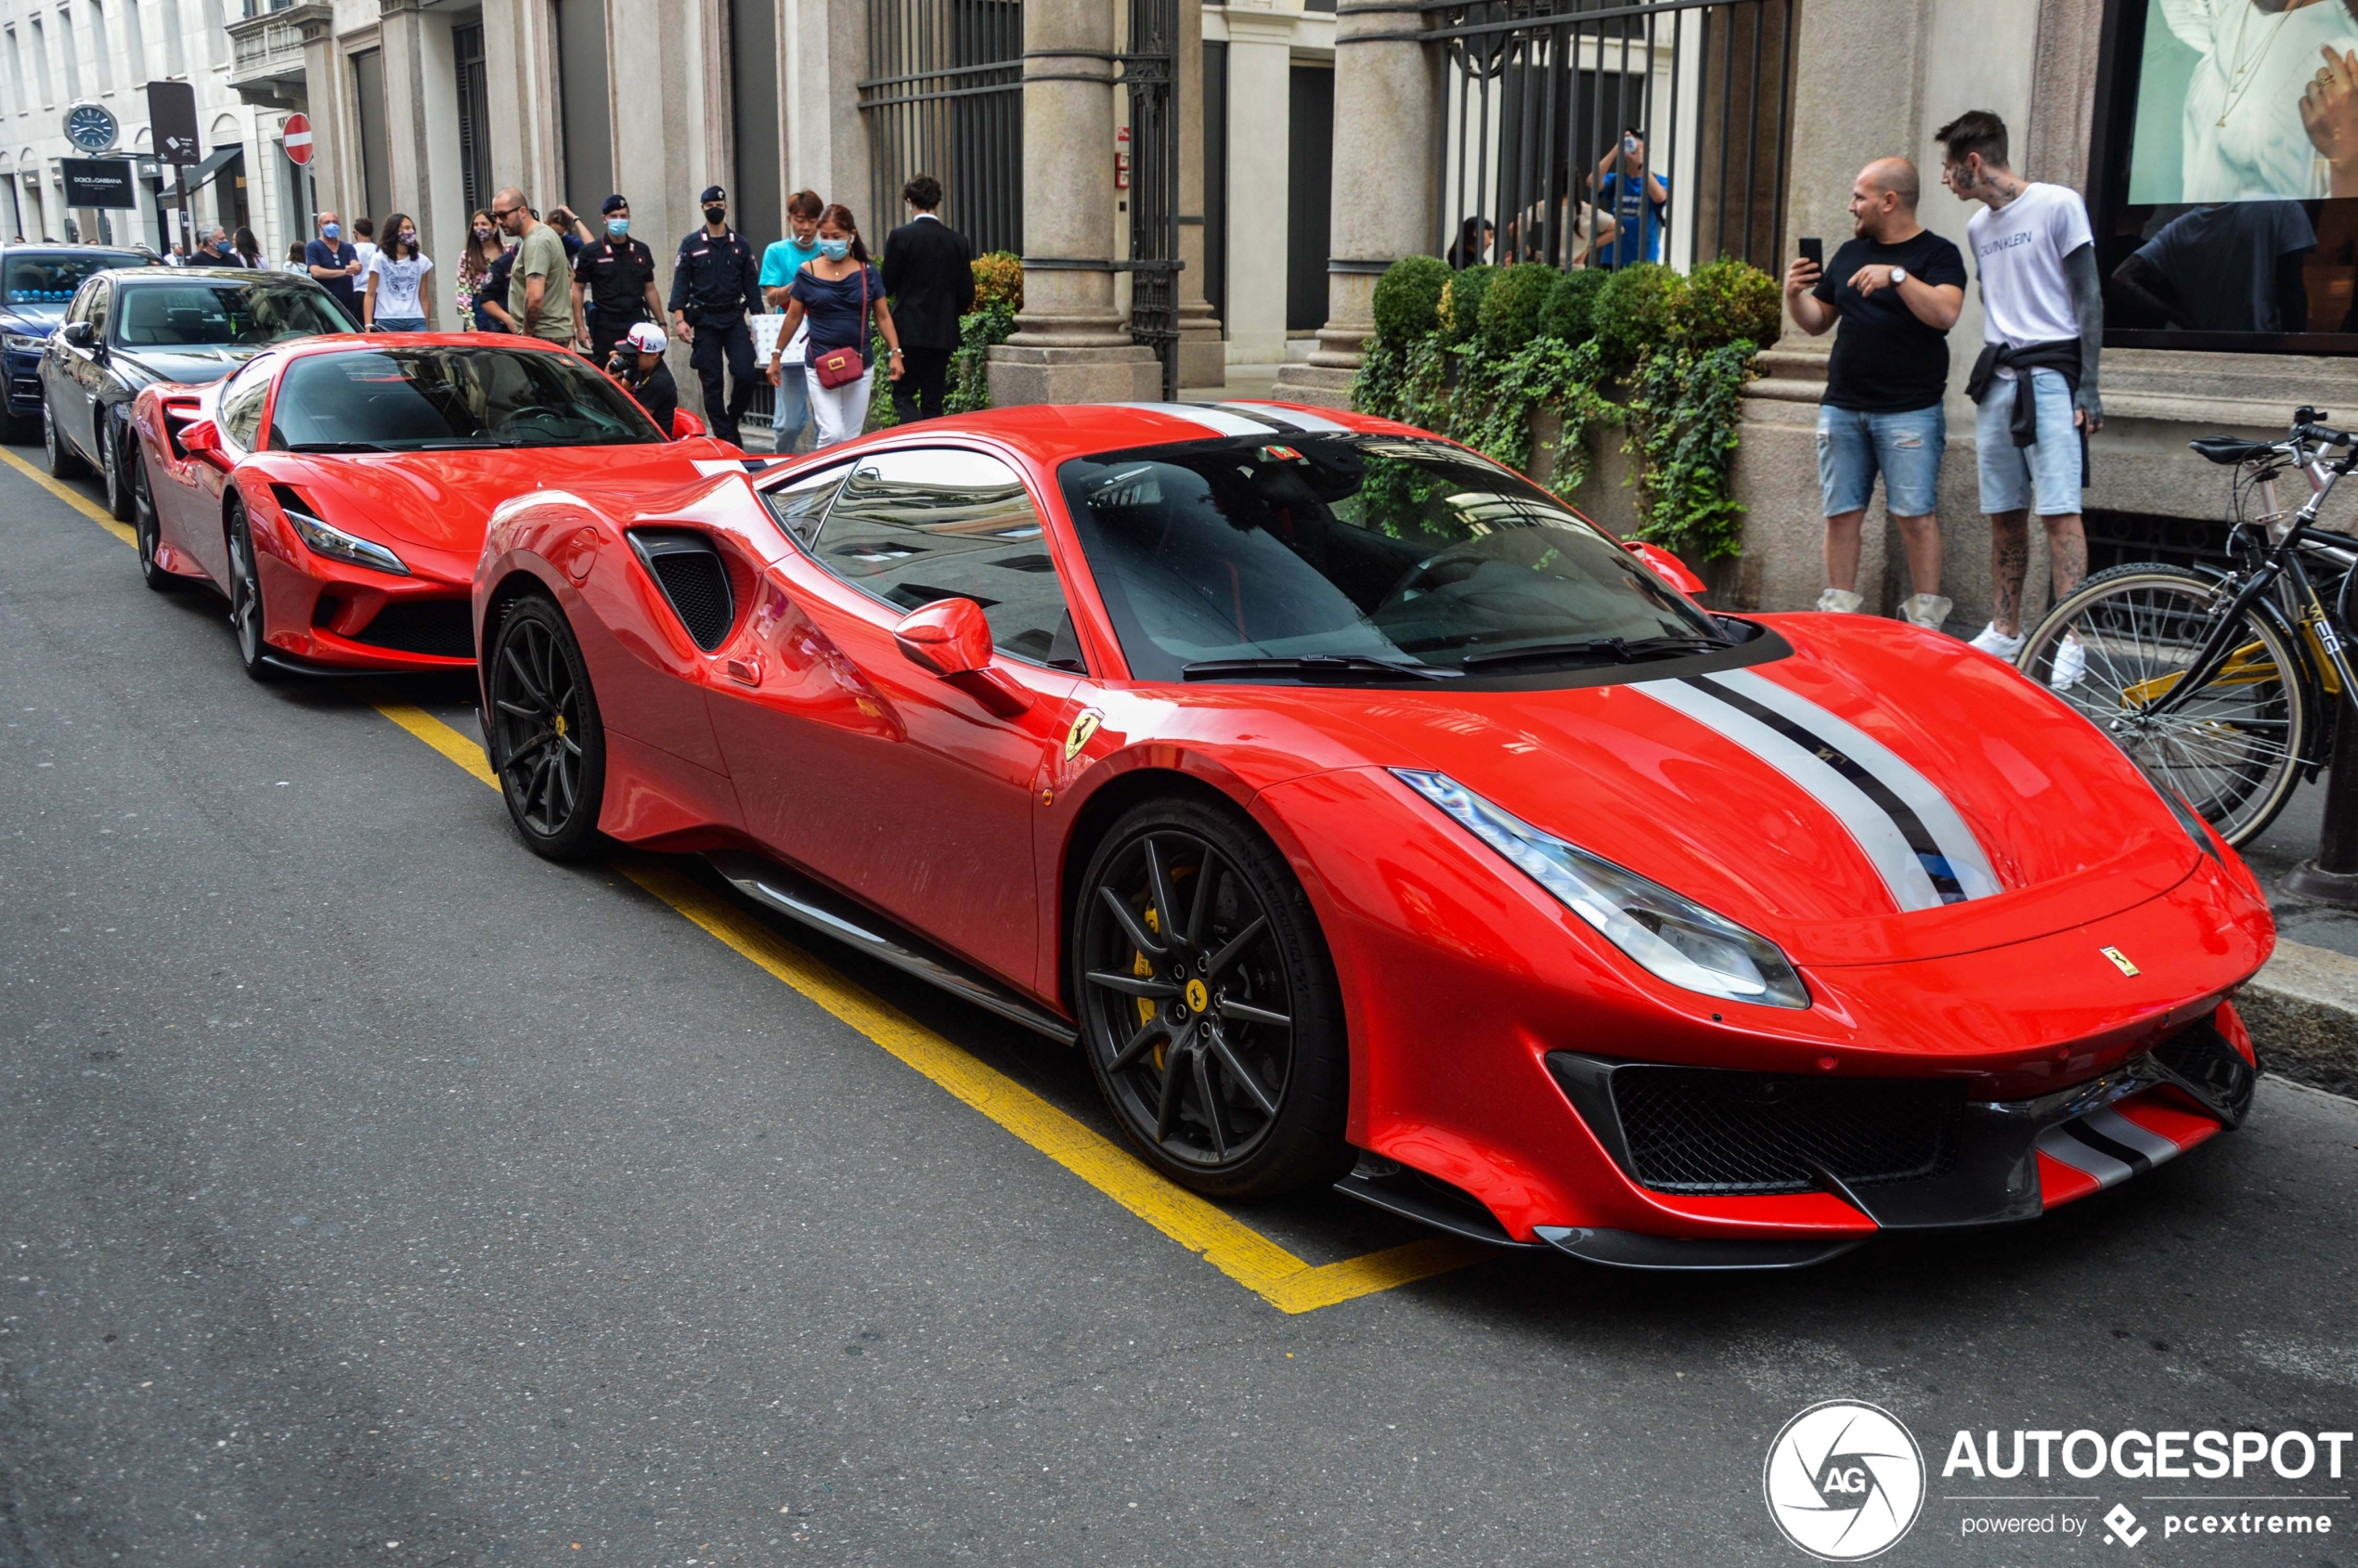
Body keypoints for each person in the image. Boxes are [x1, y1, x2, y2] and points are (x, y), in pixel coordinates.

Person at [1938, 110, 2104, 690]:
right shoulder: (1978, 228)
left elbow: (2088, 297)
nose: (1944, 179)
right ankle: (2006, 631)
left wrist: (2089, 386)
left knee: (2060, 513)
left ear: (1974, 163)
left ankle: (2072, 640)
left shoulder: (2058, 204)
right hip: (1999, 378)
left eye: (1949, 167)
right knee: (2004, 514)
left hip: (2053, 375)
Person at [1784, 158, 1968, 631]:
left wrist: (1899, 277)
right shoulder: (1849, 252)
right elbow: (1817, 321)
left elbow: (1946, 314)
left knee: (1915, 516)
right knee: (1841, 515)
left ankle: (1927, 622)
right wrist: (1792, 296)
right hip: (1843, 406)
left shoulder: (1938, 254)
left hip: (1910, 411)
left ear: (1889, 201)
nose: (1852, 207)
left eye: (1859, 197)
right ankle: (1839, 619)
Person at [2157, 0, 2358, 201]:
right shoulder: (2229, 10)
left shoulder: (2341, 52)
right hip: (2192, 228)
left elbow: (2336, 223)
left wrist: (2346, 161)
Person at [768, 202, 905, 447]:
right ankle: (822, 483)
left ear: (851, 236)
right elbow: (793, 317)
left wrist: (895, 353)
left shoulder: (868, 272)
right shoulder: (807, 271)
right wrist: (776, 355)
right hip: (819, 361)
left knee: (851, 438)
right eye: (825, 237)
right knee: (831, 433)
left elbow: (883, 316)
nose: (830, 242)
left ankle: (842, 483)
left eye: (836, 237)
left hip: (859, 362)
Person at [2111, 201, 2314, 332]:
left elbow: (2122, 278)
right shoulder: (2283, 210)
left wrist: (2177, 316)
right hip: (2260, 351)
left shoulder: (2180, 228)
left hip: (2202, 350)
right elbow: (2292, 296)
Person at [669, 184, 762, 447]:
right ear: (702, 209)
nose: (715, 211)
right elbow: (680, 284)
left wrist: (758, 322)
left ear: (726, 208)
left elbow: (752, 288)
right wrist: (680, 319)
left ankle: (731, 418)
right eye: (710, 207)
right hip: (705, 321)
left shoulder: (740, 245)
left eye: (719, 207)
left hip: (733, 318)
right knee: (712, 383)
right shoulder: (691, 244)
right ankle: (726, 438)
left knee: (745, 373)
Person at [880, 174, 974, 425]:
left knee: (903, 395)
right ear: (937, 201)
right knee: (934, 401)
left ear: (910, 200)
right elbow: (967, 292)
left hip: (907, 330)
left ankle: (913, 438)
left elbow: (886, 285)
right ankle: (931, 444)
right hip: (942, 331)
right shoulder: (958, 241)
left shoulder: (901, 237)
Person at [759, 189, 825, 453]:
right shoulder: (776, 251)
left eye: (812, 220)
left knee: (827, 421)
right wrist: (802, 278)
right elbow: (772, 297)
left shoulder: (827, 250)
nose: (806, 227)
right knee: (789, 422)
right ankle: (781, 462)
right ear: (789, 219)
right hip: (789, 344)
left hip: (823, 340)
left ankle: (826, 469)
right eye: (800, 219)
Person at [572, 193, 665, 364]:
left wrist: (662, 323)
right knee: (608, 373)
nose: (619, 220)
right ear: (604, 219)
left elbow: (650, 288)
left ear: (629, 217)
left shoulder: (641, 250)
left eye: (623, 216)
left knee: (639, 371)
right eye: (613, 216)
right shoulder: (591, 252)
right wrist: (580, 327)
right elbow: (577, 289)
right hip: (605, 325)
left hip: (636, 322)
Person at [493, 188, 577, 347]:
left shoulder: (536, 242)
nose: (498, 221)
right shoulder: (546, 234)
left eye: (503, 215)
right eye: (495, 216)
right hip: (551, 332)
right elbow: (569, 274)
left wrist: (527, 336)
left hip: (543, 335)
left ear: (522, 211)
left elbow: (535, 296)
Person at [1591, 130, 1669, 266]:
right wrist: (1615, 150)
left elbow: (1660, 197)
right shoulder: (1615, 180)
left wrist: (1641, 164)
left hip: (1645, 258)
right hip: (1612, 258)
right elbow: (1592, 182)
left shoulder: (1658, 180)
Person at [363, 212, 433, 332]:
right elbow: (370, 294)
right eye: (406, 228)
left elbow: (424, 297)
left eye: (412, 228)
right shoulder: (379, 259)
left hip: (416, 319)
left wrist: (426, 325)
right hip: (387, 319)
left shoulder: (422, 261)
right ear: (394, 232)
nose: (411, 232)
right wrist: (368, 326)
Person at [607, 320, 680, 434]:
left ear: (655, 354)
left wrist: (608, 386)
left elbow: (635, 419)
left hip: (653, 440)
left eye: (635, 354)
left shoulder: (659, 382)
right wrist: (615, 376)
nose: (630, 358)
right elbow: (623, 391)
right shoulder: (640, 365)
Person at [305, 211, 364, 319]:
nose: (331, 225)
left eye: (334, 222)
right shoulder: (313, 247)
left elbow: (356, 264)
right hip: (324, 304)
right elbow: (316, 272)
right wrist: (344, 272)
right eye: (327, 222)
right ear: (320, 226)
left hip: (347, 305)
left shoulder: (347, 247)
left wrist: (355, 268)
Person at [455, 210, 503, 331]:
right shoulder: (468, 256)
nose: (479, 228)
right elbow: (463, 291)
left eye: (484, 224)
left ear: (495, 227)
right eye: (476, 225)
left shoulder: (507, 252)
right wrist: (470, 324)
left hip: (503, 305)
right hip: (479, 310)